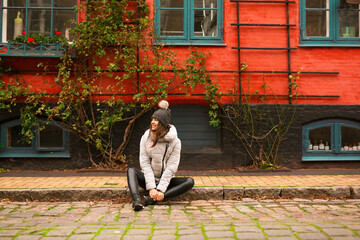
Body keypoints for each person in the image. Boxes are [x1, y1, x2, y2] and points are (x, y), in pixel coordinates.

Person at [127, 100, 194, 211]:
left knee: (189, 182)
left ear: (163, 123)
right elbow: (145, 163)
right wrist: (152, 187)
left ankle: (152, 199)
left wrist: (161, 190)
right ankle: (137, 201)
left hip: (166, 181)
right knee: (131, 171)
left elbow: (171, 167)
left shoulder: (175, 142)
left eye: (156, 120)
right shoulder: (146, 137)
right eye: (152, 119)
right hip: (149, 179)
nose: (152, 122)